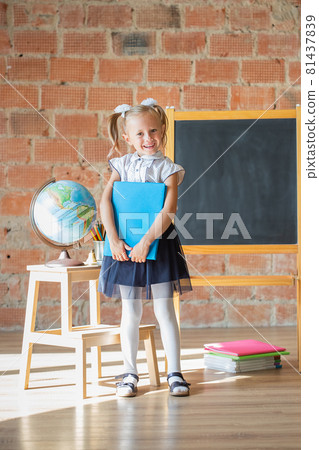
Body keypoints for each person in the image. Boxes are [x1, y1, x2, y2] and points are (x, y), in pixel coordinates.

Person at [98, 98, 192, 397]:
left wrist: (147, 241)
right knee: (131, 310)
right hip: (124, 246)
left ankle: (175, 373)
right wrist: (112, 239)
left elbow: (169, 209)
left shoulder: (168, 168)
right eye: (139, 133)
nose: (147, 138)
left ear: (162, 130)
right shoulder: (121, 165)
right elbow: (105, 203)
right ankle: (129, 373)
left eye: (153, 131)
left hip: (158, 243)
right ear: (127, 137)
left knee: (164, 309)